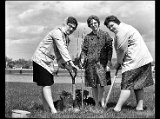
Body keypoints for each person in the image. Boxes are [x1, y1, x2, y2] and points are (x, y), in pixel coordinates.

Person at [104, 15, 154, 112]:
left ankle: (117, 108)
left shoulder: (121, 31)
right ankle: (140, 107)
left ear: (117, 22)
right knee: (138, 84)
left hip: (134, 61)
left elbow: (122, 50)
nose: (111, 28)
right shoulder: (126, 27)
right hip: (144, 59)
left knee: (126, 85)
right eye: (109, 27)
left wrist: (119, 62)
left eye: (111, 25)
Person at [32, 16, 79, 114]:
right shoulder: (57, 32)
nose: (71, 29)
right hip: (40, 59)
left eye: (73, 28)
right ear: (65, 24)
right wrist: (70, 62)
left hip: (48, 62)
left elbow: (59, 54)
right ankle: (53, 110)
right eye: (70, 26)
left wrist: (67, 66)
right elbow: (62, 48)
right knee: (46, 84)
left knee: (46, 85)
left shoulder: (67, 39)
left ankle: (46, 109)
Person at [80, 15, 113, 109]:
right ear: (89, 26)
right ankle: (96, 103)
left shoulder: (105, 34)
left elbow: (110, 50)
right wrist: (82, 59)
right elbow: (84, 50)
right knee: (93, 84)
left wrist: (108, 63)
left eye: (95, 23)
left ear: (98, 23)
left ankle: (102, 103)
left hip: (102, 64)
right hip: (90, 64)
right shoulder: (87, 37)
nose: (93, 25)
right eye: (91, 24)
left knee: (102, 84)